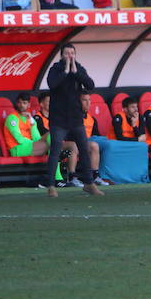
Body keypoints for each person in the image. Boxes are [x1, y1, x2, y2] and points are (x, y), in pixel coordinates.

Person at [43, 43, 103, 197]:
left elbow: (90, 85)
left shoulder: (79, 69)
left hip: (76, 118)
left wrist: (76, 73)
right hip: (58, 119)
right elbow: (52, 84)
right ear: (61, 55)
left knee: (84, 149)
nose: (70, 56)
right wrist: (65, 71)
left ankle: (89, 183)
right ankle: (51, 185)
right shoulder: (55, 69)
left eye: (72, 53)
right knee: (55, 151)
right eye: (66, 53)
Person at [4, 92, 49, 157]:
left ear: (29, 105)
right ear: (17, 104)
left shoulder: (30, 118)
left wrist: (31, 120)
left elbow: (36, 137)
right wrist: (34, 143)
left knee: (50, 137)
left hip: (29, 146)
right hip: (17, 149)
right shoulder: (12, 118)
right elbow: (18, 138)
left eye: (24, 103)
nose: (21, 105)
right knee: (52, 145)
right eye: (19, 102)